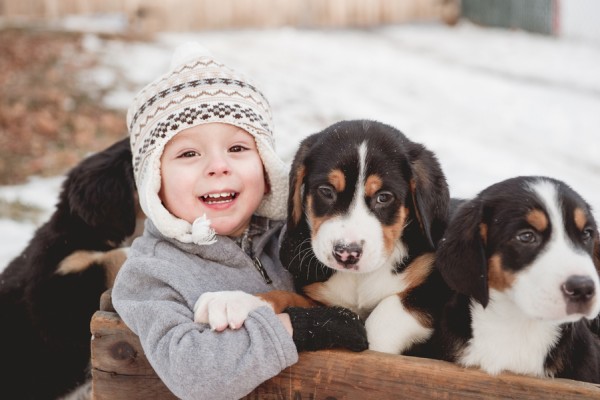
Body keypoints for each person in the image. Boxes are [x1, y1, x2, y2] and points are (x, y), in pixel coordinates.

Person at [112, 43, 366, 400]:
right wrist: (295, 326)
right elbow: (195, 374)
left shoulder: (294, 239)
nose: (219, 166)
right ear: (155, 181)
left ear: (265, 167)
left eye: (237, 148)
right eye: (189, 153)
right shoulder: (153, 272)